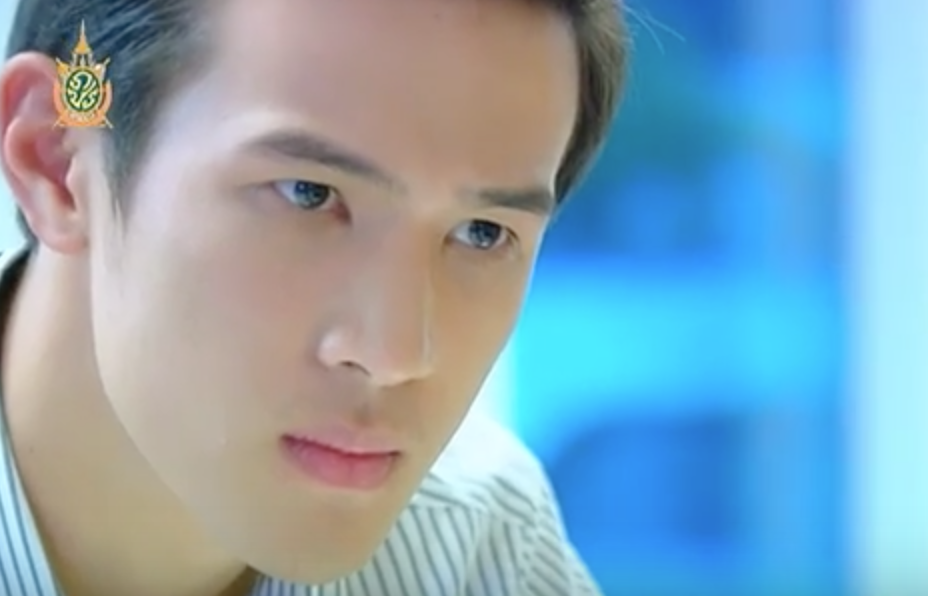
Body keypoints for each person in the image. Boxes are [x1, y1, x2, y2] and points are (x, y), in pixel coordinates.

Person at [0, 0, 629, 594]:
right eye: (308, 193)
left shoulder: (485, 554)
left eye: (482, 233)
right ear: (55, 158)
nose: (394, 355)